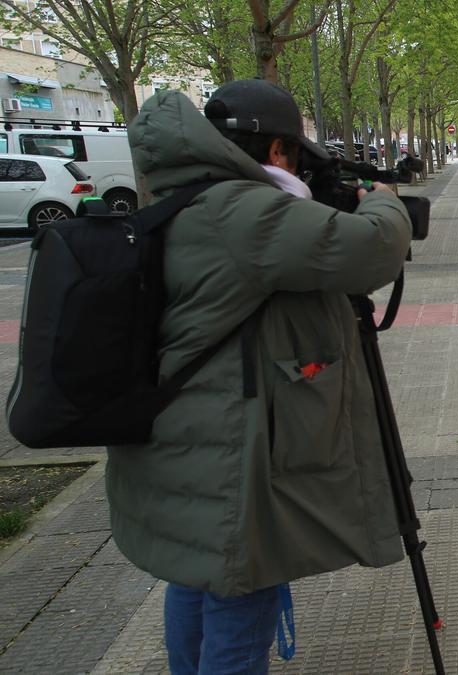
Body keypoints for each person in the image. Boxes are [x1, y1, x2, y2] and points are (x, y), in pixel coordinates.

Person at [111, 80, 413, 673]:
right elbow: (370, 249)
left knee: (200, 577)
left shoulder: (180, 195)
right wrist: (384, 198)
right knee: (242, 587)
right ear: (277, 152)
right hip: (228, 449)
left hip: (181, 434)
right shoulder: (240, 209)